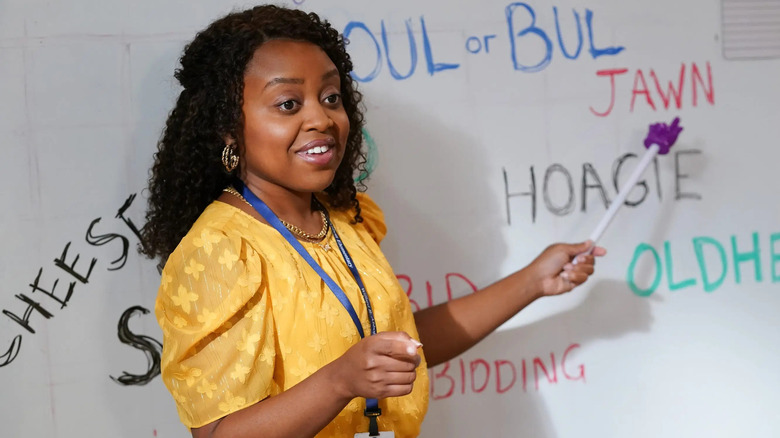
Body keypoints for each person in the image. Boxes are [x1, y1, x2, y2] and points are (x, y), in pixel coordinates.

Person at [140, 5, 606, 438]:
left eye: (330, 96)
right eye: (288, 104)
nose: (321, 118)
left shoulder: (347, 217)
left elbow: (400, 347)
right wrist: (340, 381)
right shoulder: (219, 251)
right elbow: (218, 433)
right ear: (228, 128)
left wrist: (533, 282)